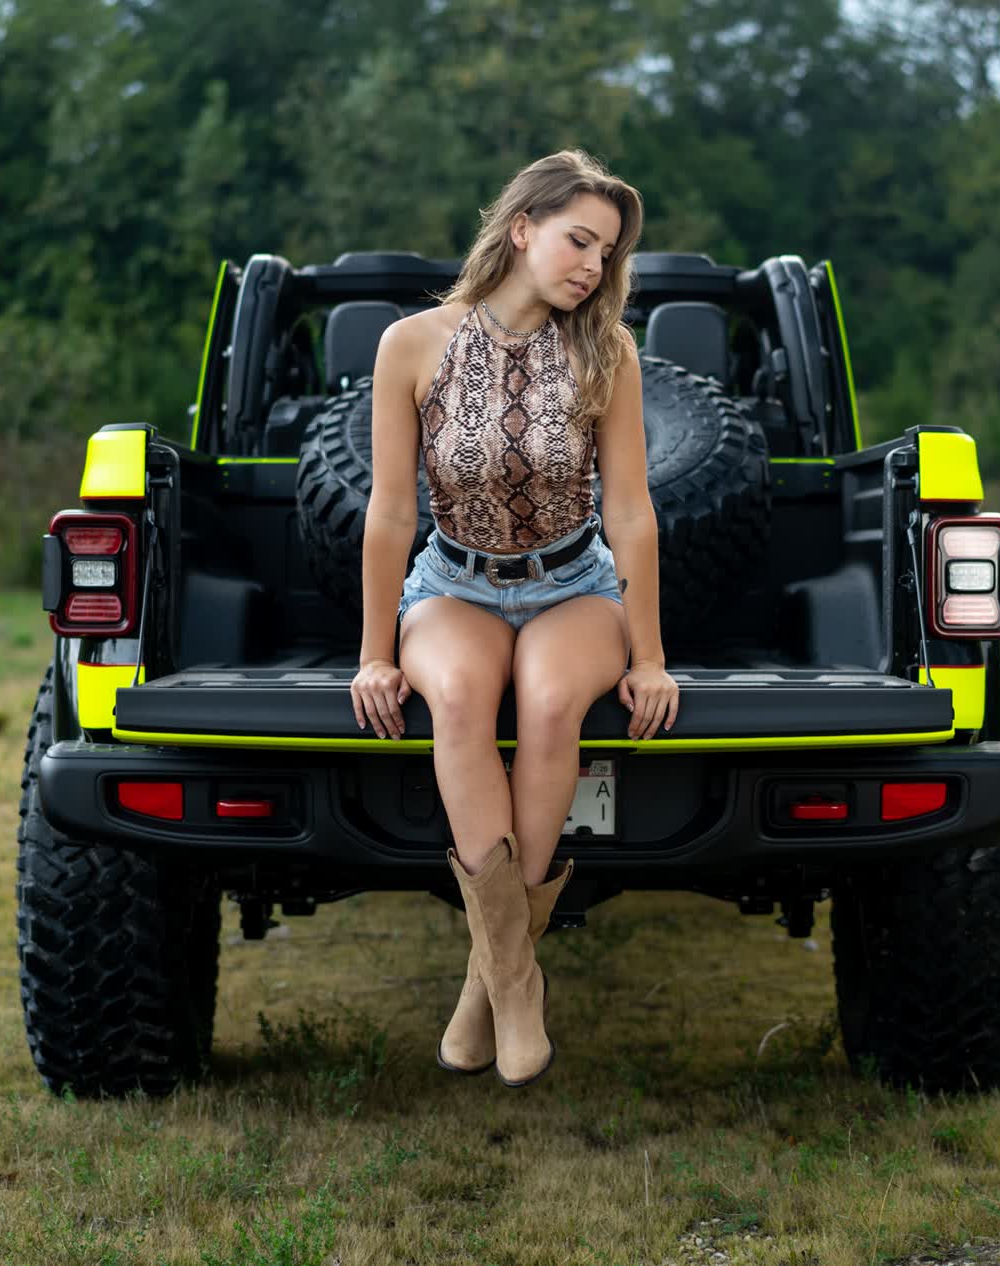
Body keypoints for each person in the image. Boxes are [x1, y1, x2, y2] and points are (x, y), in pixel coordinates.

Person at [348, 149, 678, 1088]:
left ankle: (487, 980)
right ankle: (518, 982)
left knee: (548, 706)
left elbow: (630, 512)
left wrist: (650, 658)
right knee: (455, 700)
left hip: (575, 584)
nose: (594, 266)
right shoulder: (411, 344)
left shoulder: (607, 352)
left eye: (607, 253)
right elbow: (391, 513)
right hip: (452, 583)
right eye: (580, 240)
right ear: (523, 227)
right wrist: (374, 654)